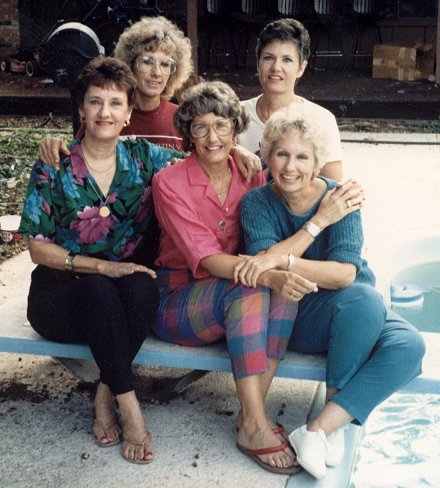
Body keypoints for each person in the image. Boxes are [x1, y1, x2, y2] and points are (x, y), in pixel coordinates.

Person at [237, 104, 426, 480]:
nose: (291, 167)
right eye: (282, 154)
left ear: (317, 161)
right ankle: (333, 419)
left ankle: (321, 428)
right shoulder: (257, 203)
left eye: (302, 157)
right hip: (296, 313)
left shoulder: (341, 196)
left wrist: (285, 259)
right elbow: (266, 264)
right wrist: (318, 223)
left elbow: (344, 273)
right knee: (362, 298)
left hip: (353, 309)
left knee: (409, 345)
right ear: (268, 156)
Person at [18, 57, 187, 465]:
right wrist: (101, 267)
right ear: (81, 108)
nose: (105, 112)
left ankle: (104, 393)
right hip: (59, 293)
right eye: (95, 102)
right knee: (98, 287)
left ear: (129, 113)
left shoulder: (144, 157)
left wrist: (240, 152)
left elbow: (203, 157)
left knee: (143, 287)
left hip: (121, 292)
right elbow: (38, 247)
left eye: (115, 103)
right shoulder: (54, 164)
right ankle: (131, 409)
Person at [151, 80, 317, 475]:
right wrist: (266, 275)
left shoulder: (249, 174)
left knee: (284, 291)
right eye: (201, 127)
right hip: (179, 301)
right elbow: (206, 259)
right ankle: (256, 426)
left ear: (236, 129)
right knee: (254, 286)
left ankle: (250, 414)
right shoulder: (169, 182)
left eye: (222, 126)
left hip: (238, 293)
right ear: (188, 132)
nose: (213, 137)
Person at [38, 16, 261, 180]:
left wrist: (235, 150)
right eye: (147, 61)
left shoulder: (182, 117)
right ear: (130, 63)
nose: (156, 72)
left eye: (165, 64)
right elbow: (76, 156)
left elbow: (208, 154)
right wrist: (54, 146)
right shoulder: (110, 116)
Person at [238, 18, 343, 180]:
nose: (276, 67)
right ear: (258, 64)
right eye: (268, 58)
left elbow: (333, 185)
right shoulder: (236, 114)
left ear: (301, 68)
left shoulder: (321, 120)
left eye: (287, 60)